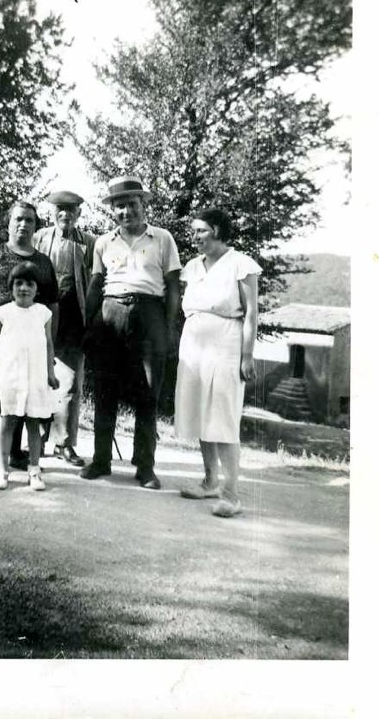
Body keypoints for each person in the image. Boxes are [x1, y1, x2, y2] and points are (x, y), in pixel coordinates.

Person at [81, 175, 181, 490]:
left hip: (149, 314)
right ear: (113, 210)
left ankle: (146, 467)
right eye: (120, 206)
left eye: (132, 204)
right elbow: (96, 285)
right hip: (110, 315)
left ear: (144, 205)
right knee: (105, 389)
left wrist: (168, 327)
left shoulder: (163, 238)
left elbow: (174, 287)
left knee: (148, 394)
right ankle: (100, 460)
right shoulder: (102, 242)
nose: (127, 211)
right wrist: (89, 325)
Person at [174, 207, 261, 517]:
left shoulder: (241, 264)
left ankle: (231, 494)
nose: (195, 237)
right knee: (200, 411)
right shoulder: (192, 267)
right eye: (193, 231)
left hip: (227, 343)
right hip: (194, 344)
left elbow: (251, 313)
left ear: (218, 231)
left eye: (201, 231)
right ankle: (210, 481)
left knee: (222, 415)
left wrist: (247, 355)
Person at [0, 201, 59, 475]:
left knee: (23, 391)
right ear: (8, 223)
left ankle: (16, 454)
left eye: (29, 220)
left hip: (28, 340)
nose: (23, 224)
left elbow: (53, 304)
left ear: (35, 226)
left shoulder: (43, 262)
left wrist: (48, 345)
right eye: (18, 219)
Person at [33, 190, 96, 467]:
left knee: (69, 384)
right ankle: (37, 440)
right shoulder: (39, 238)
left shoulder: (89, 243)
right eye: (60, 208)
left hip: (73, 319)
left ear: (79, 213)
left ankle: (65, 443)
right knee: (39, 379)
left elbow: (97, 284)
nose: (65, 214)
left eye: (71, 210)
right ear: (52, 211)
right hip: (42, 317)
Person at [0, 263, 59, 490]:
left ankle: (34, 471)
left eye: (29, 284)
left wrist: (51, 372)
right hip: (10, 375)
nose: (24, 288)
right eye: (18, 283)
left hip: (36, 375)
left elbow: (48, 344)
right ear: (11, 287)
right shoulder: (3, 312)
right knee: (7, 421)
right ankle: (3, 470)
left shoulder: (44, 313)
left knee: (34, 424)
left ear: (37, 289)